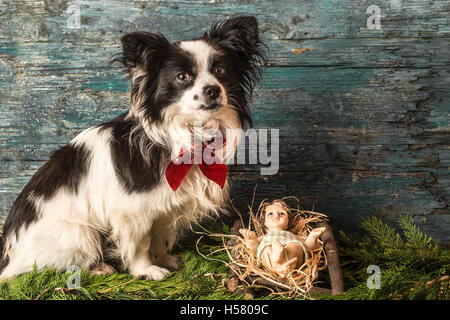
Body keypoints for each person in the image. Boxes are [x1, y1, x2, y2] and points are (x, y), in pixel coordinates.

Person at [239, 199, 325, 278]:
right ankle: (278, 264)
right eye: (270, 214)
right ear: (264, 222)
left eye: (282, 213)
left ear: (288, 221)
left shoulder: (291, 235)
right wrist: (251, 240)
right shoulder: (264, 237)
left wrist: (312, 236)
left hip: (290, 256)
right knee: (265, 249)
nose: (276, 216)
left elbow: (308, 248)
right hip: (271, 255)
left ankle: (280, 264)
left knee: (295, 246)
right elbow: (254, 250)